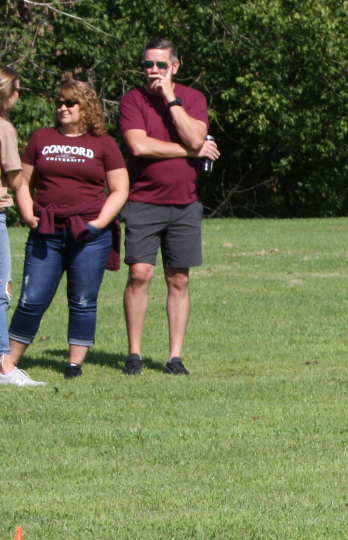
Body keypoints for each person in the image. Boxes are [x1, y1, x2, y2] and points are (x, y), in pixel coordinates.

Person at [6, 79, 128, 378]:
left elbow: (120, 188)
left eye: (69, 103)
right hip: (46, 230)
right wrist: (28, 213)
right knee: (31, 298)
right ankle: (8, 363)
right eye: (59, 102)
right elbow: (22, 182)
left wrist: (99, 222)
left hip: (88, 235)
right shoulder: (41, 138)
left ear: (85, 106)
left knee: (84, 299)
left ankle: (74, 364)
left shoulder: (104, 143)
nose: (62, 107)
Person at [119, 37, 218, 376]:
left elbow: (195, 136)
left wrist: (170, 98)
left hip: (185, 204)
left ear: (175, 66)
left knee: (178, 280)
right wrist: (192, 152)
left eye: (161, 65)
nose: (153, 71)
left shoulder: (192, 98)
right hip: (143, 201)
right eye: (148, 64)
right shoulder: (132, 100)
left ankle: (175, 357)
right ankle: (135, 354)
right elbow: (139, 146)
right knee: (139, 274)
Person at [0, 66, 43, 386]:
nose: (19, 95)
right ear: (6, 95)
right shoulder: (3, 128)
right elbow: (15, 178)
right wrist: (32, 213)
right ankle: (4, 367)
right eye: (18, 89)